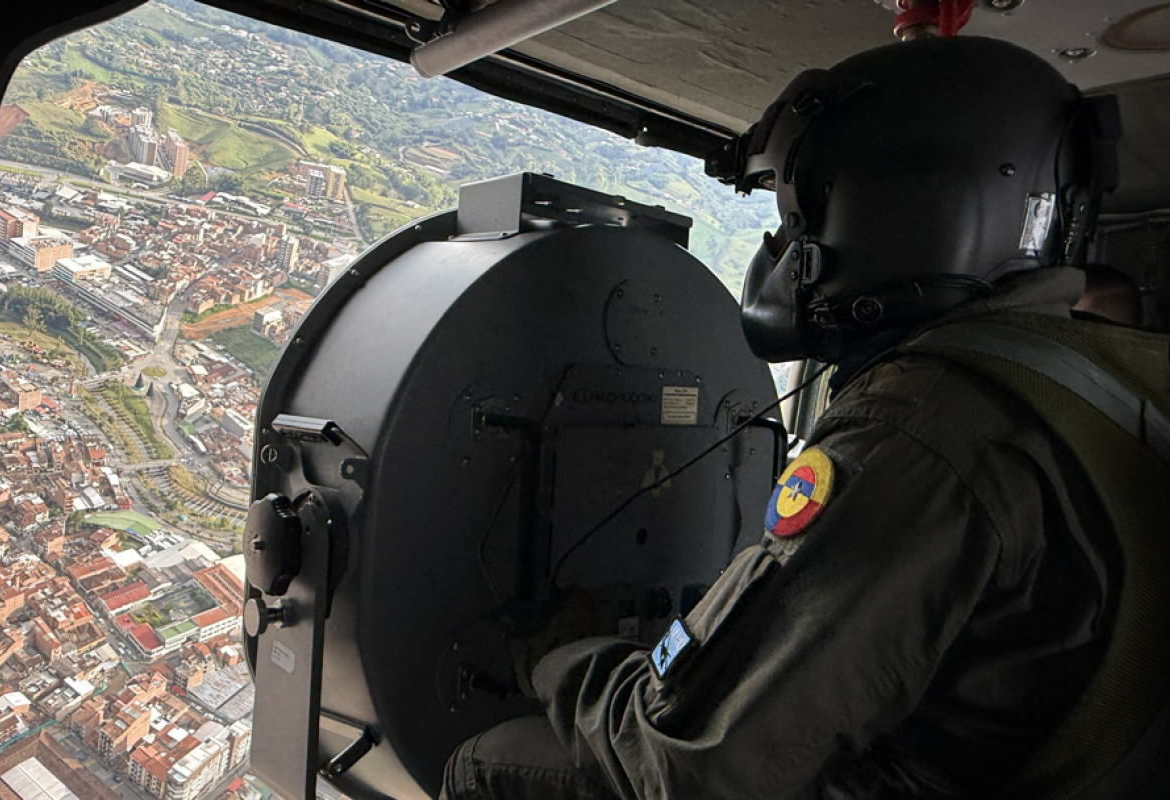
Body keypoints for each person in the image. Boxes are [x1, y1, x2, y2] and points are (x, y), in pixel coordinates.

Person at [441, 35, 1170, 800]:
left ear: (894, 212)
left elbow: (697, 767)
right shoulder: (1101, 380)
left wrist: (561, 659)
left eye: (801, 218)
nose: (787, 249)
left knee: (488, 764)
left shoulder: (925, 423)